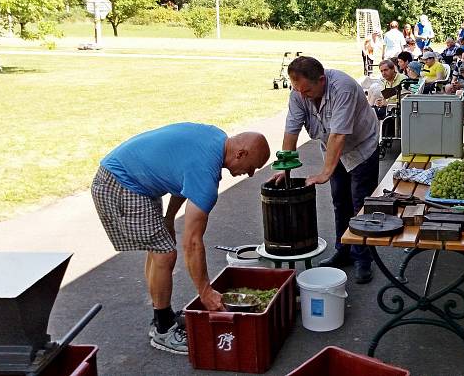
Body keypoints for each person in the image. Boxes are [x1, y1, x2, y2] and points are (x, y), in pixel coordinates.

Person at [91, 124, 270, 354]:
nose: (251, 173)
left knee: (159, 250)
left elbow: (183, 183)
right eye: (253, 167)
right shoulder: (206, 174)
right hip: (119, 184)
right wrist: (205, 291)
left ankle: (161, 316)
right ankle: (163, 329)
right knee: (165, 253)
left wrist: (169, 217)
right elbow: (192, 242)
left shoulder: (216, 139)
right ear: (240, 154)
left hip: (131, 180)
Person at [269, 56, 379, 283]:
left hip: (361, 148)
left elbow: (339, 134)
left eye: (306, 90)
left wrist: (325, 173)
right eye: (297, 89)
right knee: (340, 201)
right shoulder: (299, 93)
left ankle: (363, 259)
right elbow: (292, 129)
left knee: (361, 205)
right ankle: (344, 251)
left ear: (321, 80)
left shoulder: (343, 88)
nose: (301, 95)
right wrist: (285, 166)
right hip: (332, 148)